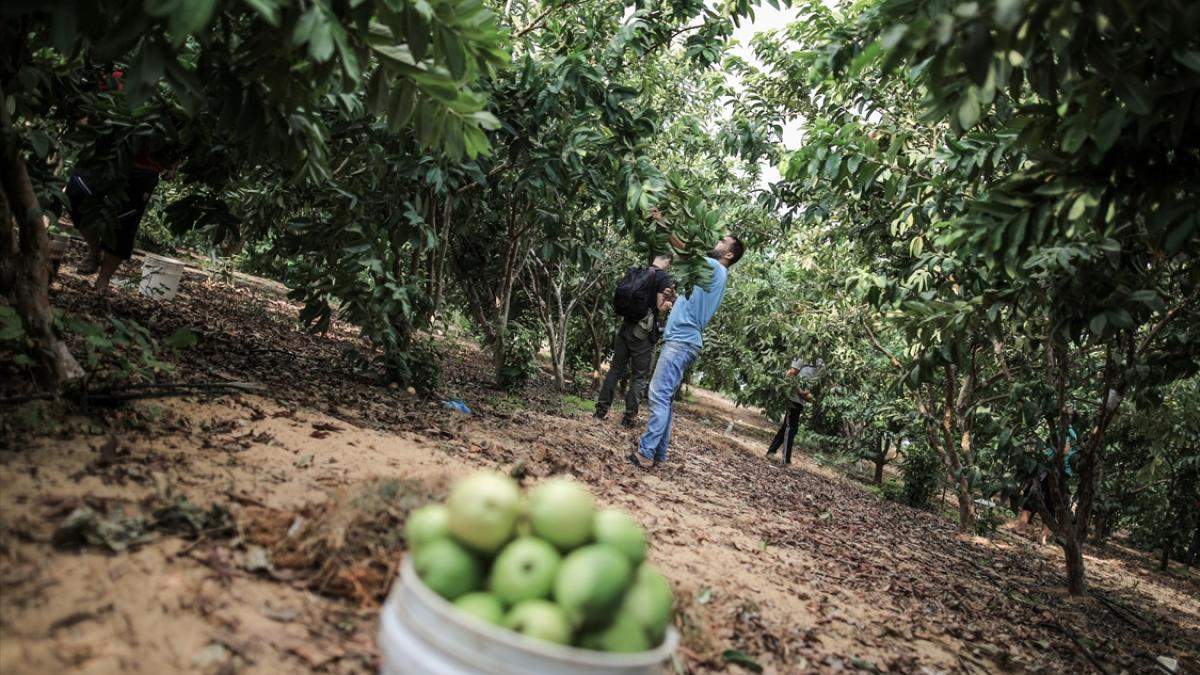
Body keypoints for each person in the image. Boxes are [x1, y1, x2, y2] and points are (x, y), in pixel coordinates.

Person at [628, 231, 745, 469]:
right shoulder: (712, 275)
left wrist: (665, 226)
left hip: (681, 342)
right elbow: (693, 303)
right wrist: (676, 299)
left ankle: (646, 453)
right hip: (685, 341)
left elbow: (686, 253)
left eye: (722, 242)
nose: (717, 241)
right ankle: (658, 455)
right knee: (665, 399)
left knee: (658, 395)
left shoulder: (714, 267)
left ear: (729, 255)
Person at [595, 253, 676, 426]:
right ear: (668, 261)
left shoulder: (640, 271)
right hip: (643, 334)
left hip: (626, 326)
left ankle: (600, 411)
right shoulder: (663, 278)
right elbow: (661, 307)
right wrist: (672, 301)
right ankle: (628, 418)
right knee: (639, 376)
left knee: (615, 370)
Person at [1014, 419, 1078, 545]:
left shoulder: (1068, 432)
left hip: (1053, 472)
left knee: (1043, 501)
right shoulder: (1058, 430)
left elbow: (1064, 450)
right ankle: (1027, 530)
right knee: (1042, 501)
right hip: (1050, 470)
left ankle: (1036, 533)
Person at [765, 350, 825, 465]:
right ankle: (785, 460)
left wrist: (809, 395)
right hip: (793, 397)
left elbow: (817, 382)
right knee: (791, 428)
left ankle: (771, 452)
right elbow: (791, 374)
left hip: (801, 400)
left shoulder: (822, 362)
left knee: (787, 427)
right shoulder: (804, 354)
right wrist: (800, 391)